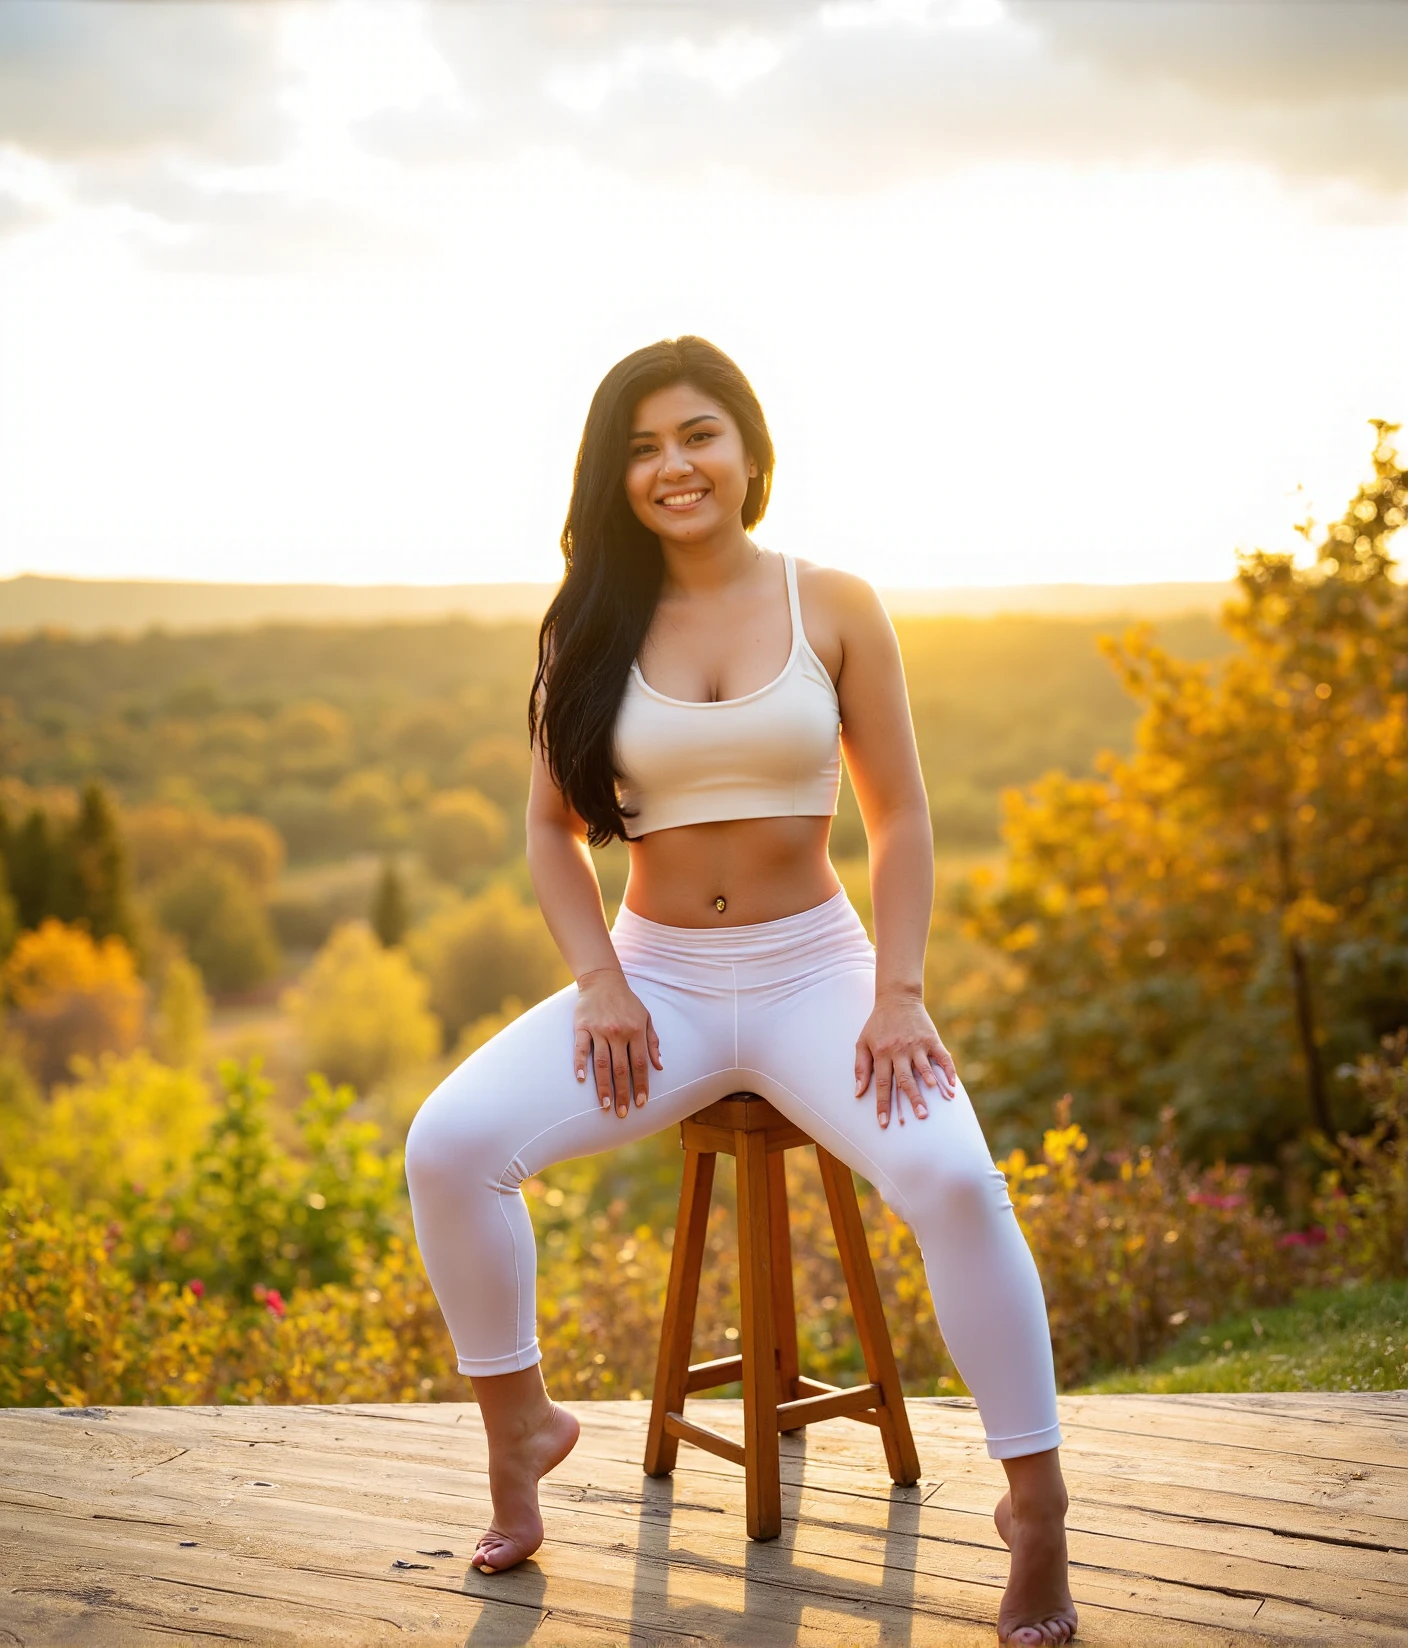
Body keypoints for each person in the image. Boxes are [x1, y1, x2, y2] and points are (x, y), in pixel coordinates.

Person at [405, 335, 1077, 1646]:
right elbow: (549, 831)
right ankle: (522, 1433)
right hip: (650, 984)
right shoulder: (588, 623)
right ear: (617, 475)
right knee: (449, 1145)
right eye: (644, 447)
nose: (674, 466)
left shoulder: (834, 601)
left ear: (749, 450)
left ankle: (1036, 1508)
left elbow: (904, 817)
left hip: (819, 976)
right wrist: (597, 980)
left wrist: (898, 992)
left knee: (952, 1177)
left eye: (698, 434)